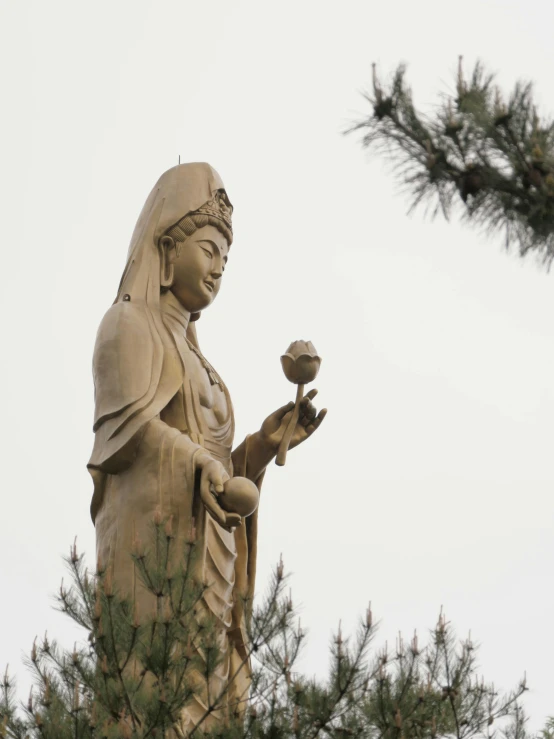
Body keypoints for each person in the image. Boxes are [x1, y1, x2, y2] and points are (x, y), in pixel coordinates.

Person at [87, 162, 326, 731]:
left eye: (226, 257)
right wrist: (199, 463)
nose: (219, 267)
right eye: (209, 248)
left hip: (211, 556)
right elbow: (129, 435)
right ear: (167, 250)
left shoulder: (200, 359)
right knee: (158, 703)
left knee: (212, 702)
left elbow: (219, 471)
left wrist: (262, 448)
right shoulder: (127, 325)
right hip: (156, 556)